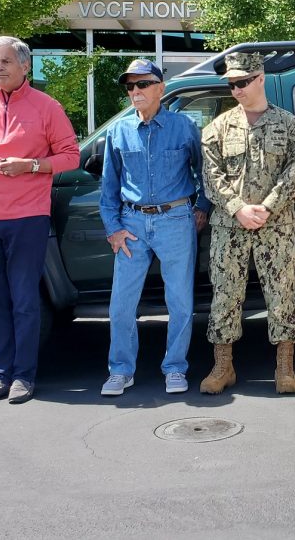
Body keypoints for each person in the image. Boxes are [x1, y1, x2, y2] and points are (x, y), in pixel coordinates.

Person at [0, 36, 80, 405]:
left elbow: (70, 155)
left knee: (24, 301)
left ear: (25, 66)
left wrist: (32, 165)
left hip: (27, 217)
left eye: (5, 61)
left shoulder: (47, 107)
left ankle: (24, 376)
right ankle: (0, 375)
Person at [199, 52, 295, 395]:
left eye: (243, 82)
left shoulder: (291, 127)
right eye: (232, 84)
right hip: (229, 227)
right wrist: (238, 208)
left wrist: (267, 207)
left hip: (275, 226)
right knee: (225, 294)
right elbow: (211, 177)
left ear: (260, 78)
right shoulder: (216, 129)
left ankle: (285, 366)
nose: (236, 89)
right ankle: (223, 366)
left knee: (282, 294)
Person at [98, 58, 209, 396]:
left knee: (180, 301)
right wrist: (113, 228)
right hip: (131, 222)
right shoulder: (119, 131)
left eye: (143, 84)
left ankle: (175, 368)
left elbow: (204, 172)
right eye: (130, 86)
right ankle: (121, 370)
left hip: (176, 220)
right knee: (121, 303)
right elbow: (109, 186)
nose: (135, 90)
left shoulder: (184, 127)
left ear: (161, 88)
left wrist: (201, 208)